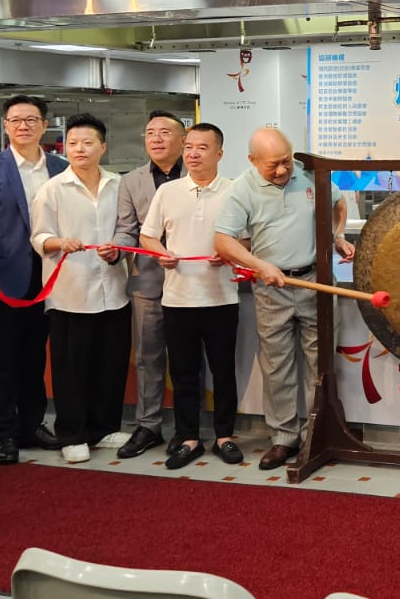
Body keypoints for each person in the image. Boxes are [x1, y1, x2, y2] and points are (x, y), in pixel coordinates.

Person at [213, 127, 355, 471]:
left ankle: (316, 434)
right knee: (277, 366)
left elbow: (338, 203)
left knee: (319, 363)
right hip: (271, 288)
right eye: (272, 165)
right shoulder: (241, 189)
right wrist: (259, 265)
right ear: (252, 160)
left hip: (316, 282)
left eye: (286, 161)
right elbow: (223, 241)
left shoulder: (308, 175)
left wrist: (336, 237)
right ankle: (283, 438)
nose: (282, 170)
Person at [0, 95, 67, 464]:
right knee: (5, 359)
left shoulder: (61, 167)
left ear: (44, 125)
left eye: (31, 119)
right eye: (16, 120)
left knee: (36, 358)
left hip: (51, 276)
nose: (23, 126)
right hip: (6, 277)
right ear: (6, 126)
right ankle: (5, 433)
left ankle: (32, 424)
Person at [139, 123, 242, 470]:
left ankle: (225, 436)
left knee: (224, 371)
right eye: (189, 147)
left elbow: (248, 239)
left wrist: (229, 252)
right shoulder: (168, 191)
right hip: (178, 299)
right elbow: (148, 236)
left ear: (219, 154)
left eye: (202, 148)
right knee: (183, 373)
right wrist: (161, 253)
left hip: (221, 297)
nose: (193, 154)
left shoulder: (235, 191)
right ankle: (188, 438)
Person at [30, 113, 130, 464]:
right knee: (71, 370)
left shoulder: (119, 184)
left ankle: (104, 427)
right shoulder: (53, 189)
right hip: (70, 293)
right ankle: (71, 434)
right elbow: (38, 236)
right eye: (72, 143)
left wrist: (117, 248)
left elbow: (128, 229)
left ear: (103, 147)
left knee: (111, 363)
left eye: (88, 143)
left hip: (114, 290)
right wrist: (60, 242)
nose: (79, 149)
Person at [112, 110, 186, 460]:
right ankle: (148, 425)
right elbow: (126, 228)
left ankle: (187, 429)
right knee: (148, 357)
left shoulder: (199, 175)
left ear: (183, 140)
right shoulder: (131, 181)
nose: (156, 138)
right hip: (148, 281)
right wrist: (115, 249)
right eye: (150, 132)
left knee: (189, 359)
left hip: (193, 281)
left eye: (165, 132)